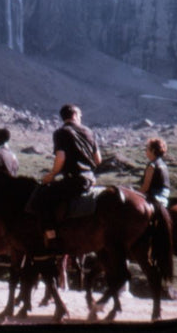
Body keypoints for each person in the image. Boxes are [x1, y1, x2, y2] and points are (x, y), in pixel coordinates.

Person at [37, 104, 102, 247]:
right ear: (75, 115)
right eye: (80, 116)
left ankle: (52, 238)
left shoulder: (61, 132)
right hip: (91, 179)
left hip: (74, 180)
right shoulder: (89, 131)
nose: (81, 118)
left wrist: (52, 174)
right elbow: (98, 160)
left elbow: (60, 157)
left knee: (43, 197)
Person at [138, 138, 170, 208]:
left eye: (147, 148)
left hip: (155, 195)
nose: (146, 150)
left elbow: (145, 187)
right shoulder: (163, 164)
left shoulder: (152, 165)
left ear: (153, 151)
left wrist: (136, 193)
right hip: (165, 195)